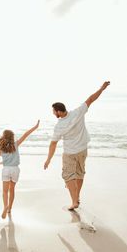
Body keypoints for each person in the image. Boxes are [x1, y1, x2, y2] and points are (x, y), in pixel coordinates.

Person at [44, 81, 110, 210]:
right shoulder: (78, 112)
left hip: (70, 153)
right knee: (79, 174)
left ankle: (74, 201)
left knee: (68, 176)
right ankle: (77, 198)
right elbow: (91, 99)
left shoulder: (59, 126)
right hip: (83, 150)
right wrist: (102, 88)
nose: (53, 113)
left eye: (54, 111)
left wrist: (48, 159)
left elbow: (53, 144)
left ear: (58, 111)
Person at [0, 121, 40, 219]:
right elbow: (26, 134)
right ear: (12, 137)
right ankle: (9, 209)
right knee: (11, 190)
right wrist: (35, 127)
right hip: (15, 170)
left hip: (6, 170)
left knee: (4, 191)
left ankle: (5, 206)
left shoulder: (2, 149)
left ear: (4, 137)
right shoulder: (16, 145)